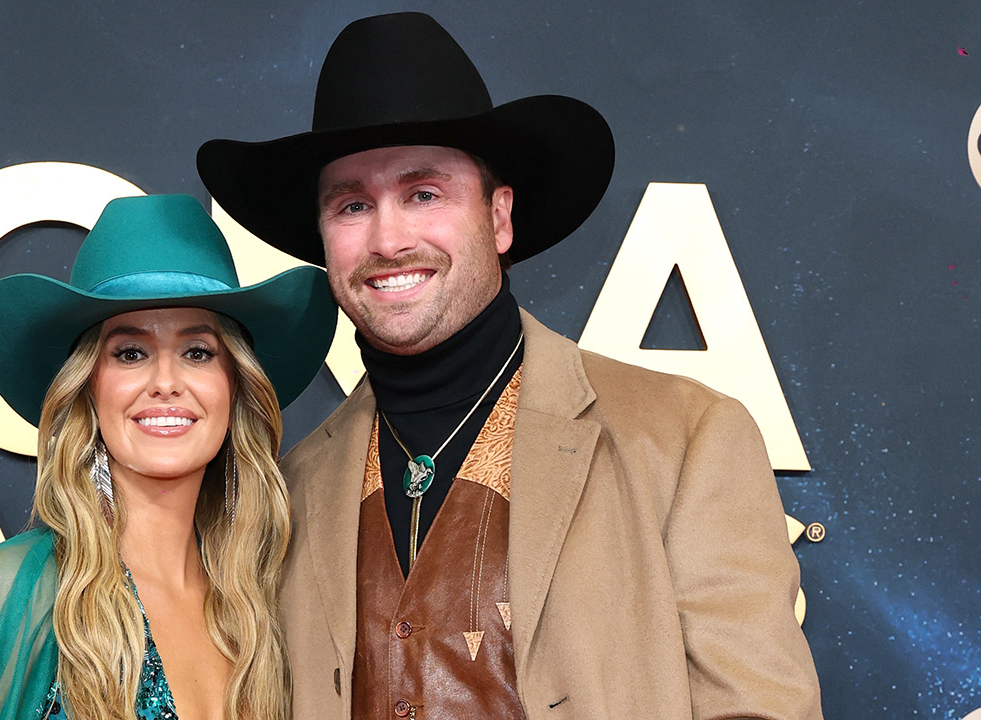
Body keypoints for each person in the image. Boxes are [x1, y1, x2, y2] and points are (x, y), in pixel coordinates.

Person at [198, 12, 824, 720]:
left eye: (423, 194)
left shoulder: (687, 438)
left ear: (499, 218)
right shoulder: (288, 490)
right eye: (352, 205)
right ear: (324, 239)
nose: (387, 237)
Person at [0, 194, 336, 720]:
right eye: (130, 353)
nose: (165, 383)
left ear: (235, 386)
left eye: (197, 352)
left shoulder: (260, 605)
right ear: (88, 388)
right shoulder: (20, 592)